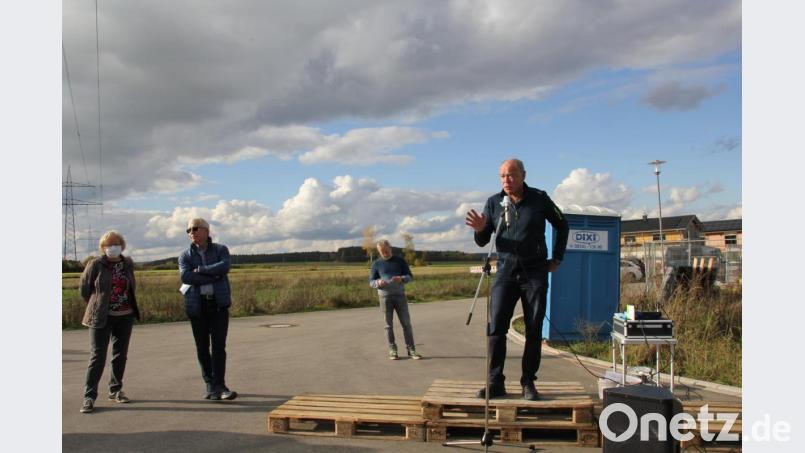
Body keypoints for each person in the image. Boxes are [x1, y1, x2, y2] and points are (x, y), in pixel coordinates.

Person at [464, 158, 569, 400]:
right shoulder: (493, 203)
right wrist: (480, 228)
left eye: (511, 175)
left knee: (533, 330)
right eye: (502, 176)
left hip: (535, 273)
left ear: (523, 175)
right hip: (505, 273)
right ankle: (495, 382)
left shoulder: (540, 199)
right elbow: (482, 241)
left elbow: (563, 224)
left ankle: (528, 382)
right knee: (496, 329)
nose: (506, 180)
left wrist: (558, 257)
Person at [79, 230, 141, 413]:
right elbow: (85, 288)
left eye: (115, 244)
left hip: (125, 315)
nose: (112, 247)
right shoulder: (95, 264)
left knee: (120, 355)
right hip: (101, 317)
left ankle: (115, 390)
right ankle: (89, 396)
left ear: (121, 246)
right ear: (102, 248)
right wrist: (97, 304)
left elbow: (131, 285)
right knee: (97, 356)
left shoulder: (127, 263)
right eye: (108, 245)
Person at [179, 218, 238, 401]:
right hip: (197, 306)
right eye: (188, 230)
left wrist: (202, 270)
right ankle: (210, 385)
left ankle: (219, 385)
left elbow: (225, 266)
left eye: (195, 229)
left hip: (218, 305)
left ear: (206, 230)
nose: (191, 232)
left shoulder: (220, 249)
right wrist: (213, 277)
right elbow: (186, 277)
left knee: (219, 346)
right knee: (202, 348)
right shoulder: (185, 255)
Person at [369, 239, 423, 360]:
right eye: (382, 252)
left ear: (390, 248)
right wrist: (378, 282)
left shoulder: (400, 261)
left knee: (406, 324)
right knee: (388, 325)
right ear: (379, 251)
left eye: (386, 251)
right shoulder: (376, 264)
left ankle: (411, 349)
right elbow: (371, 282)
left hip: (400, 296)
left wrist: (402, 279)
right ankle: (392, 349)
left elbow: (410, 276)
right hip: (384, 297)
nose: (385, 253)